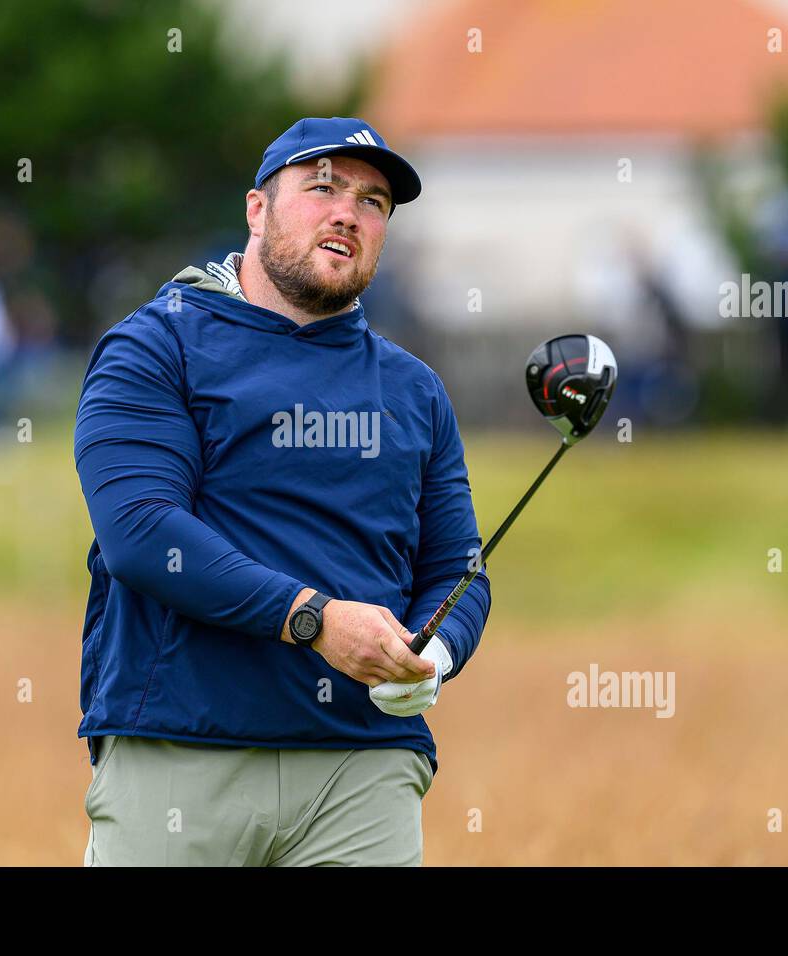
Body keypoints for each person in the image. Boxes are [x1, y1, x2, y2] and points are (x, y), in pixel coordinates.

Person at [74, 117, 490, 866]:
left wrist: (435, 657)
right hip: (181, 748)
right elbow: (142, 533)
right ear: (257, 209)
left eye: (373, 202)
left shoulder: (414, 389)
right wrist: (314, 622)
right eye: (321, 186)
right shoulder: (156, 345)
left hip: (363, 768)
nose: (348, 212)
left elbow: (458, 570)